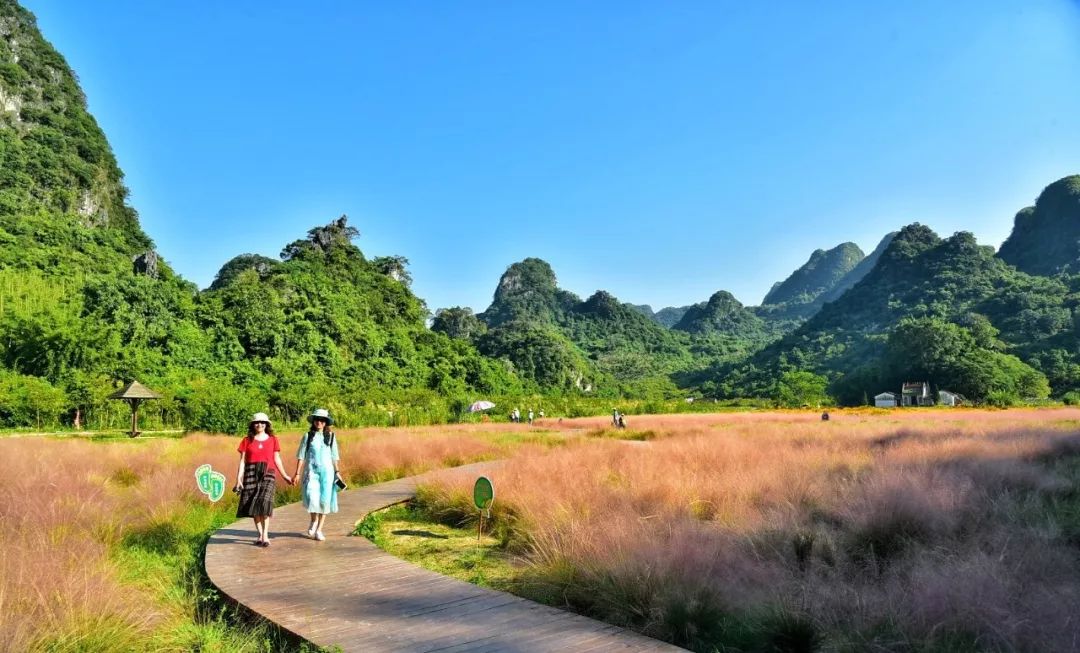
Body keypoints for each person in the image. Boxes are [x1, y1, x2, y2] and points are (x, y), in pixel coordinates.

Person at [234, 412, 292, 547]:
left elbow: (277, 459)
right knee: (253, 505)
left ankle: (265, 535)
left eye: (262, 422)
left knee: (264, 503)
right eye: (257, 422)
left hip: (268, 472)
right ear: (253, 425)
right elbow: (242, 461)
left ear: (266, 425)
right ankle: (260, 534)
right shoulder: (246, 440)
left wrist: (285, 475)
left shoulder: (273, 439)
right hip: (251, 472)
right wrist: (238, 479)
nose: (259, 425)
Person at [293, 408, 342, 541]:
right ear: (313, 421)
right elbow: (301, 455)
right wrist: (297, 473)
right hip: (311, 472)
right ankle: (313, 521)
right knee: (312, 497)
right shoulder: (308, 436)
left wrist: (337, 472)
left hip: (328, 473)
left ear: (326, 422)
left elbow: (334, 456)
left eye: (322, 420)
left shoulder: (331, 436)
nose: (319, 422)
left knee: (325, 500)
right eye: (317, 420)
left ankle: (319, 529)